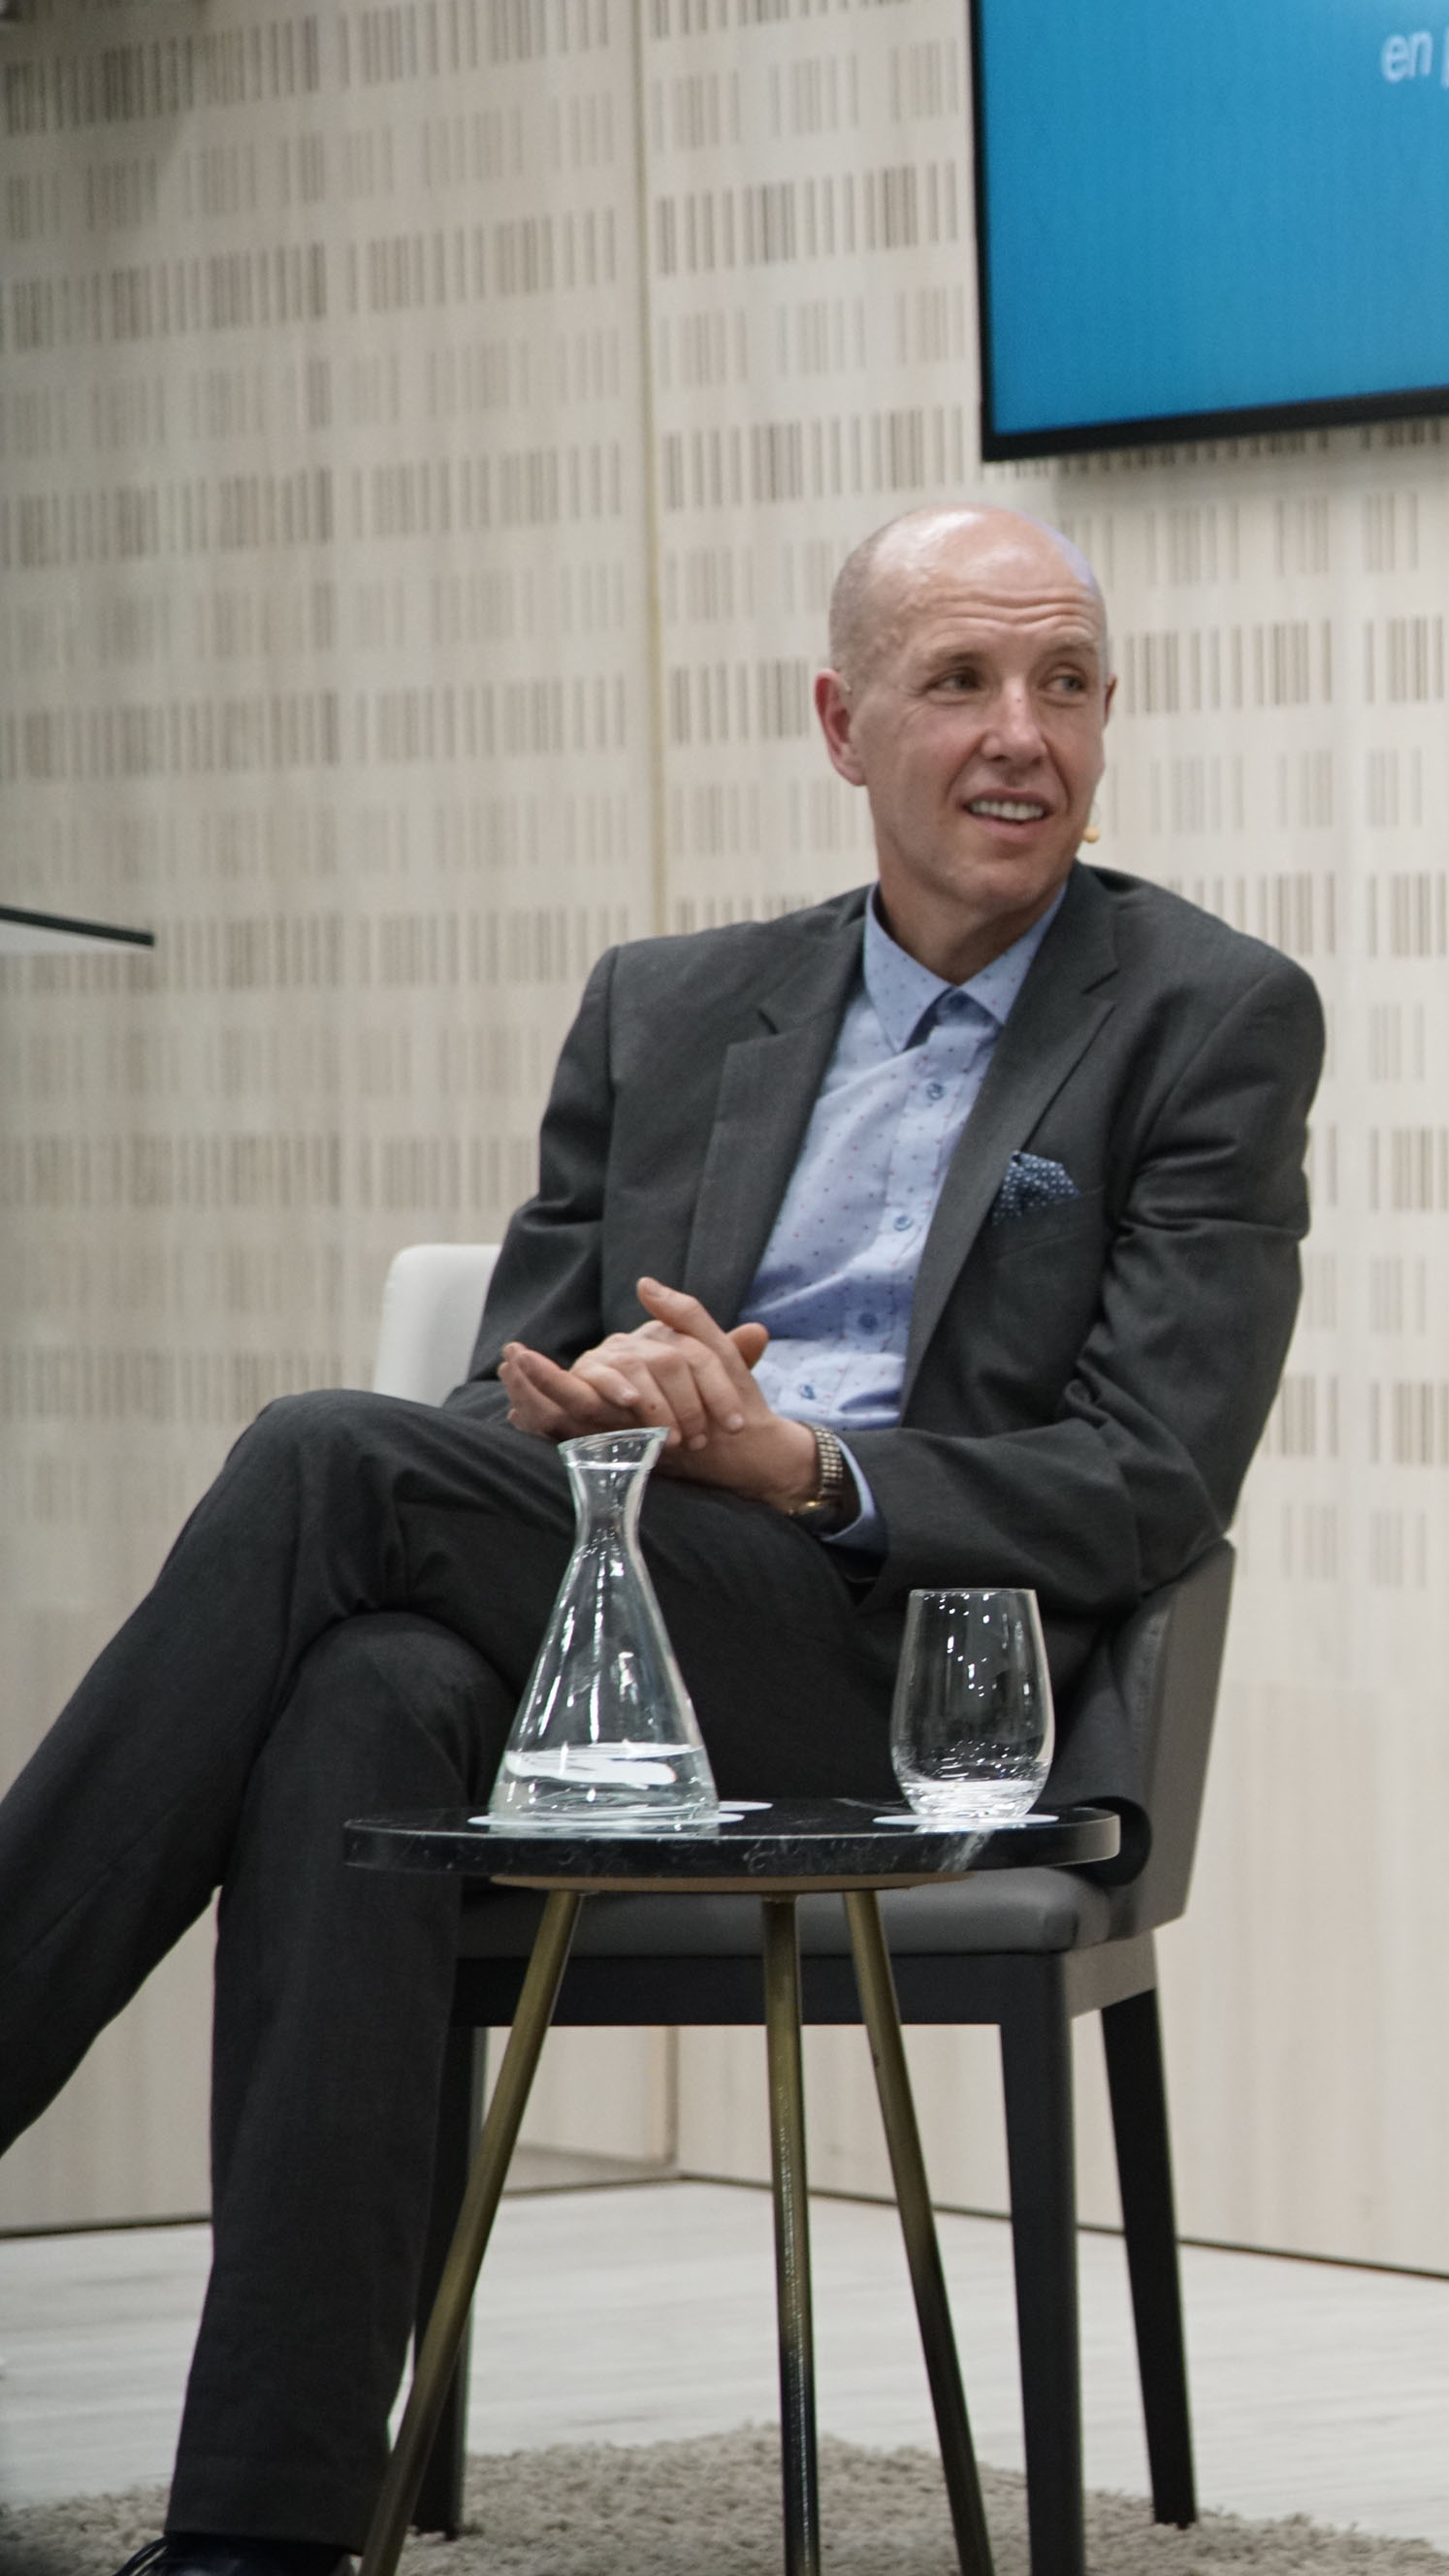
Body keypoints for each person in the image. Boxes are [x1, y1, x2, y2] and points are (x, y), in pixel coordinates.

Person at [0, 504, 1324, 2576]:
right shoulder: (677, 1005)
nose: (1021, 735)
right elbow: (496, 1400)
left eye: (1066, 682)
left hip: (914, 1670)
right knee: (363, 1691)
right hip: (629, 1613)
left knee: (323, 1466)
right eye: (961, 681)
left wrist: (798, 1465)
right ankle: (257, 2533)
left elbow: (1150, 1474)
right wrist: (606, 1401)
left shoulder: (1207, 1014)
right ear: (840, 719)